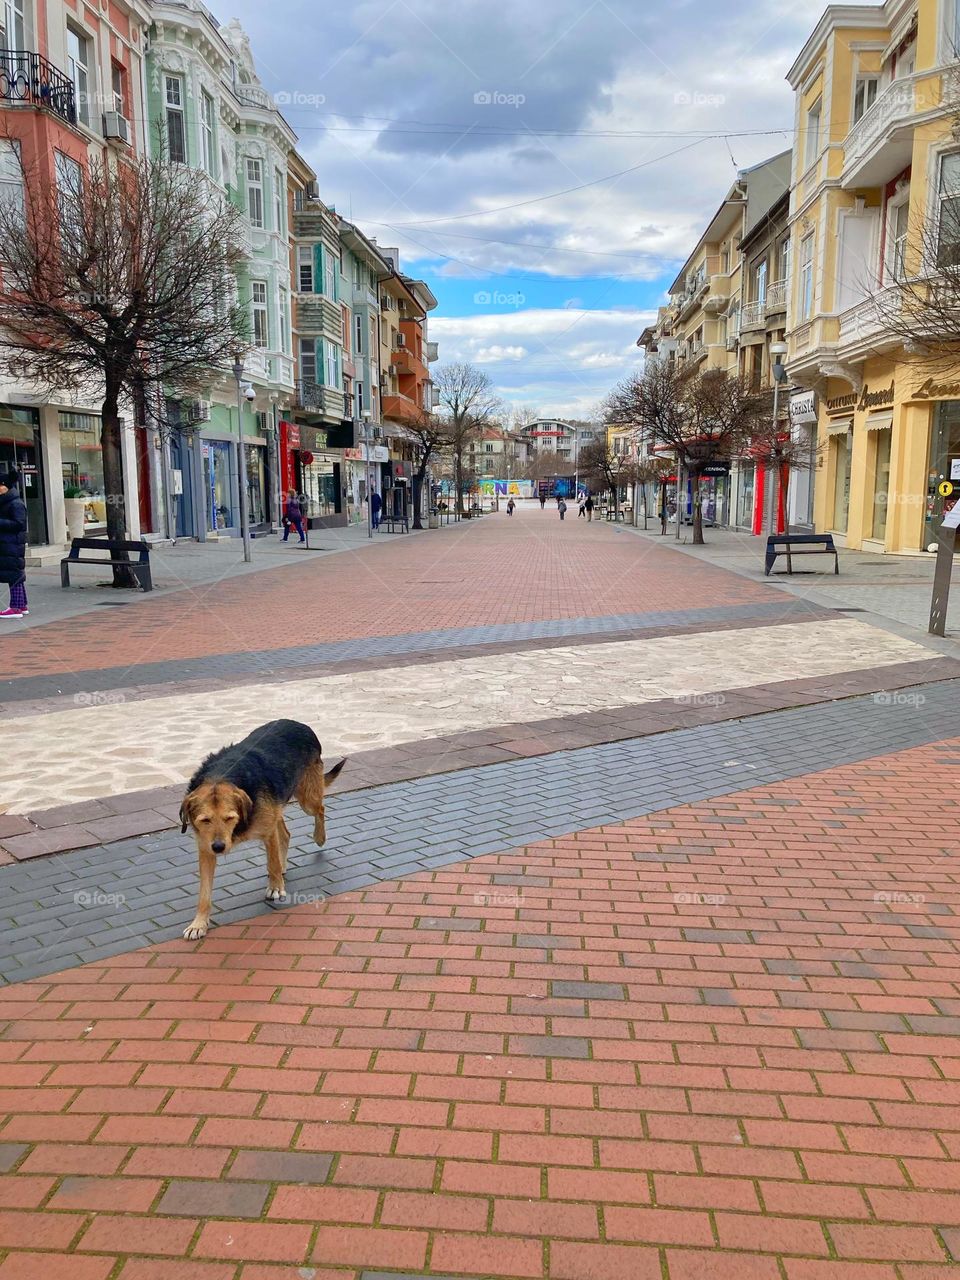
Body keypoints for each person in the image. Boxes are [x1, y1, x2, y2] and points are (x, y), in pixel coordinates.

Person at [0, 467, 28, 617]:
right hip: (8, 545)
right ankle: (22, 605)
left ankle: (15, 608)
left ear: (6, 486)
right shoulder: (7, 502)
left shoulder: (15, 503)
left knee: (14, 575)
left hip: (12, 545)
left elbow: (19, 524)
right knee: (15, 574)